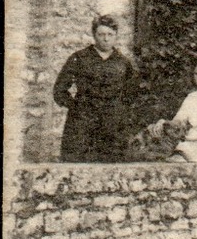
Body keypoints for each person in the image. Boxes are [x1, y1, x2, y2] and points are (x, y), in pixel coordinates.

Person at [52, 15, 140, 162]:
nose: (106, 39)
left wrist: (121, 111)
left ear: (116, 35)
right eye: (101, 34)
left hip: (112, 126)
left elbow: (132, 92)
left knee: (111, 168)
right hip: (82, 125)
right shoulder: (79, 58)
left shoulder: (123, 62)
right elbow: (59, 90)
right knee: (77, 167)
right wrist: (76, 107)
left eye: (110, 34)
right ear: (94, 35)